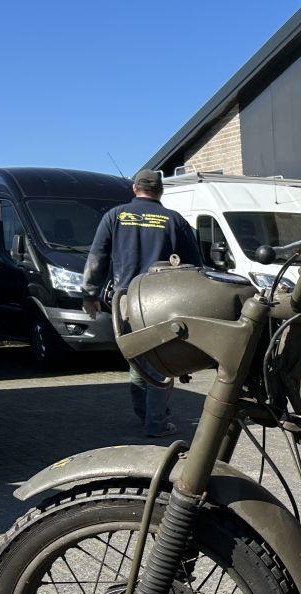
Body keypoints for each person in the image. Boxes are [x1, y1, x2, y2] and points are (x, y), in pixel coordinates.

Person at [83, 169, 202, 438]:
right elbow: (196, 266)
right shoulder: (174, 220)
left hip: (126, 302)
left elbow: (97, 257)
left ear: (135, 189)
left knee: (137, 357)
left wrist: (89, 295)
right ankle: (156, 423)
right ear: (160, 191)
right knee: (160, 362)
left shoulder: (114, 216)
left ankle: (144, 413)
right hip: (162, 301)